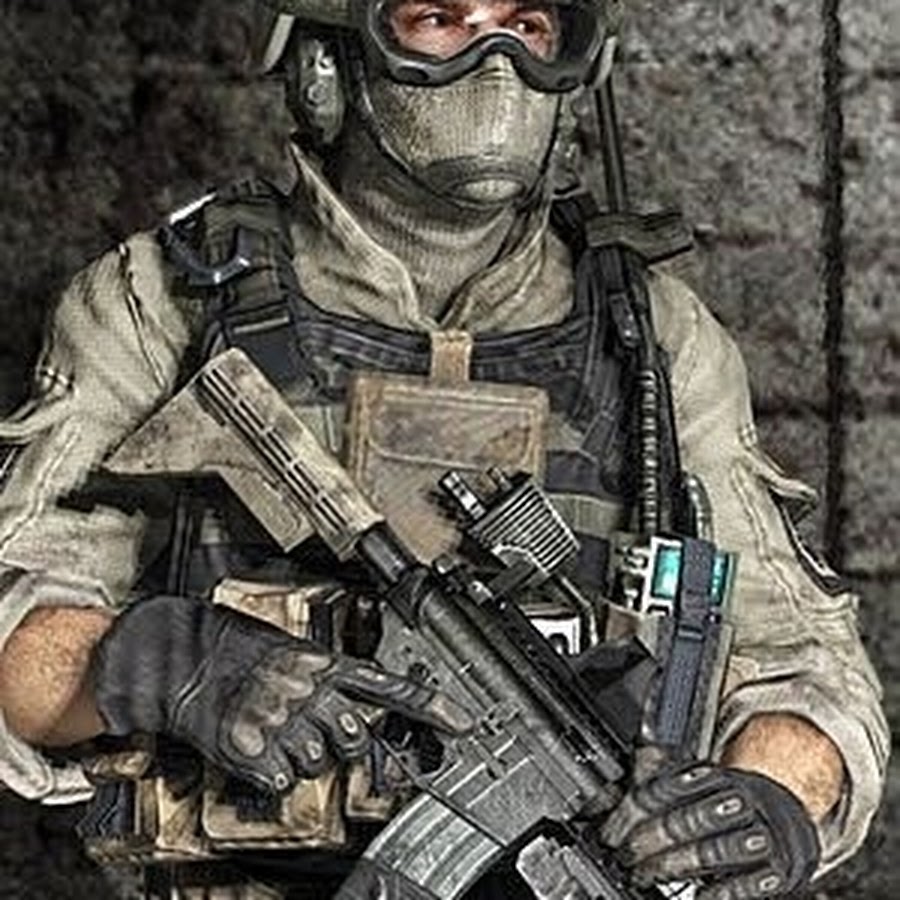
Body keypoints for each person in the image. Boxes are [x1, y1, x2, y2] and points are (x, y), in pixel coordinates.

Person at [0, 1, 888, 898]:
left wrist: (769, 800)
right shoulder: (167, 300)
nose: (496, 62)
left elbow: (802, 671)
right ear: (328, 62)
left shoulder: (654, 338)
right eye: (440, 19)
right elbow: (15, 644)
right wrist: (162, 659)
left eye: (528, 27)